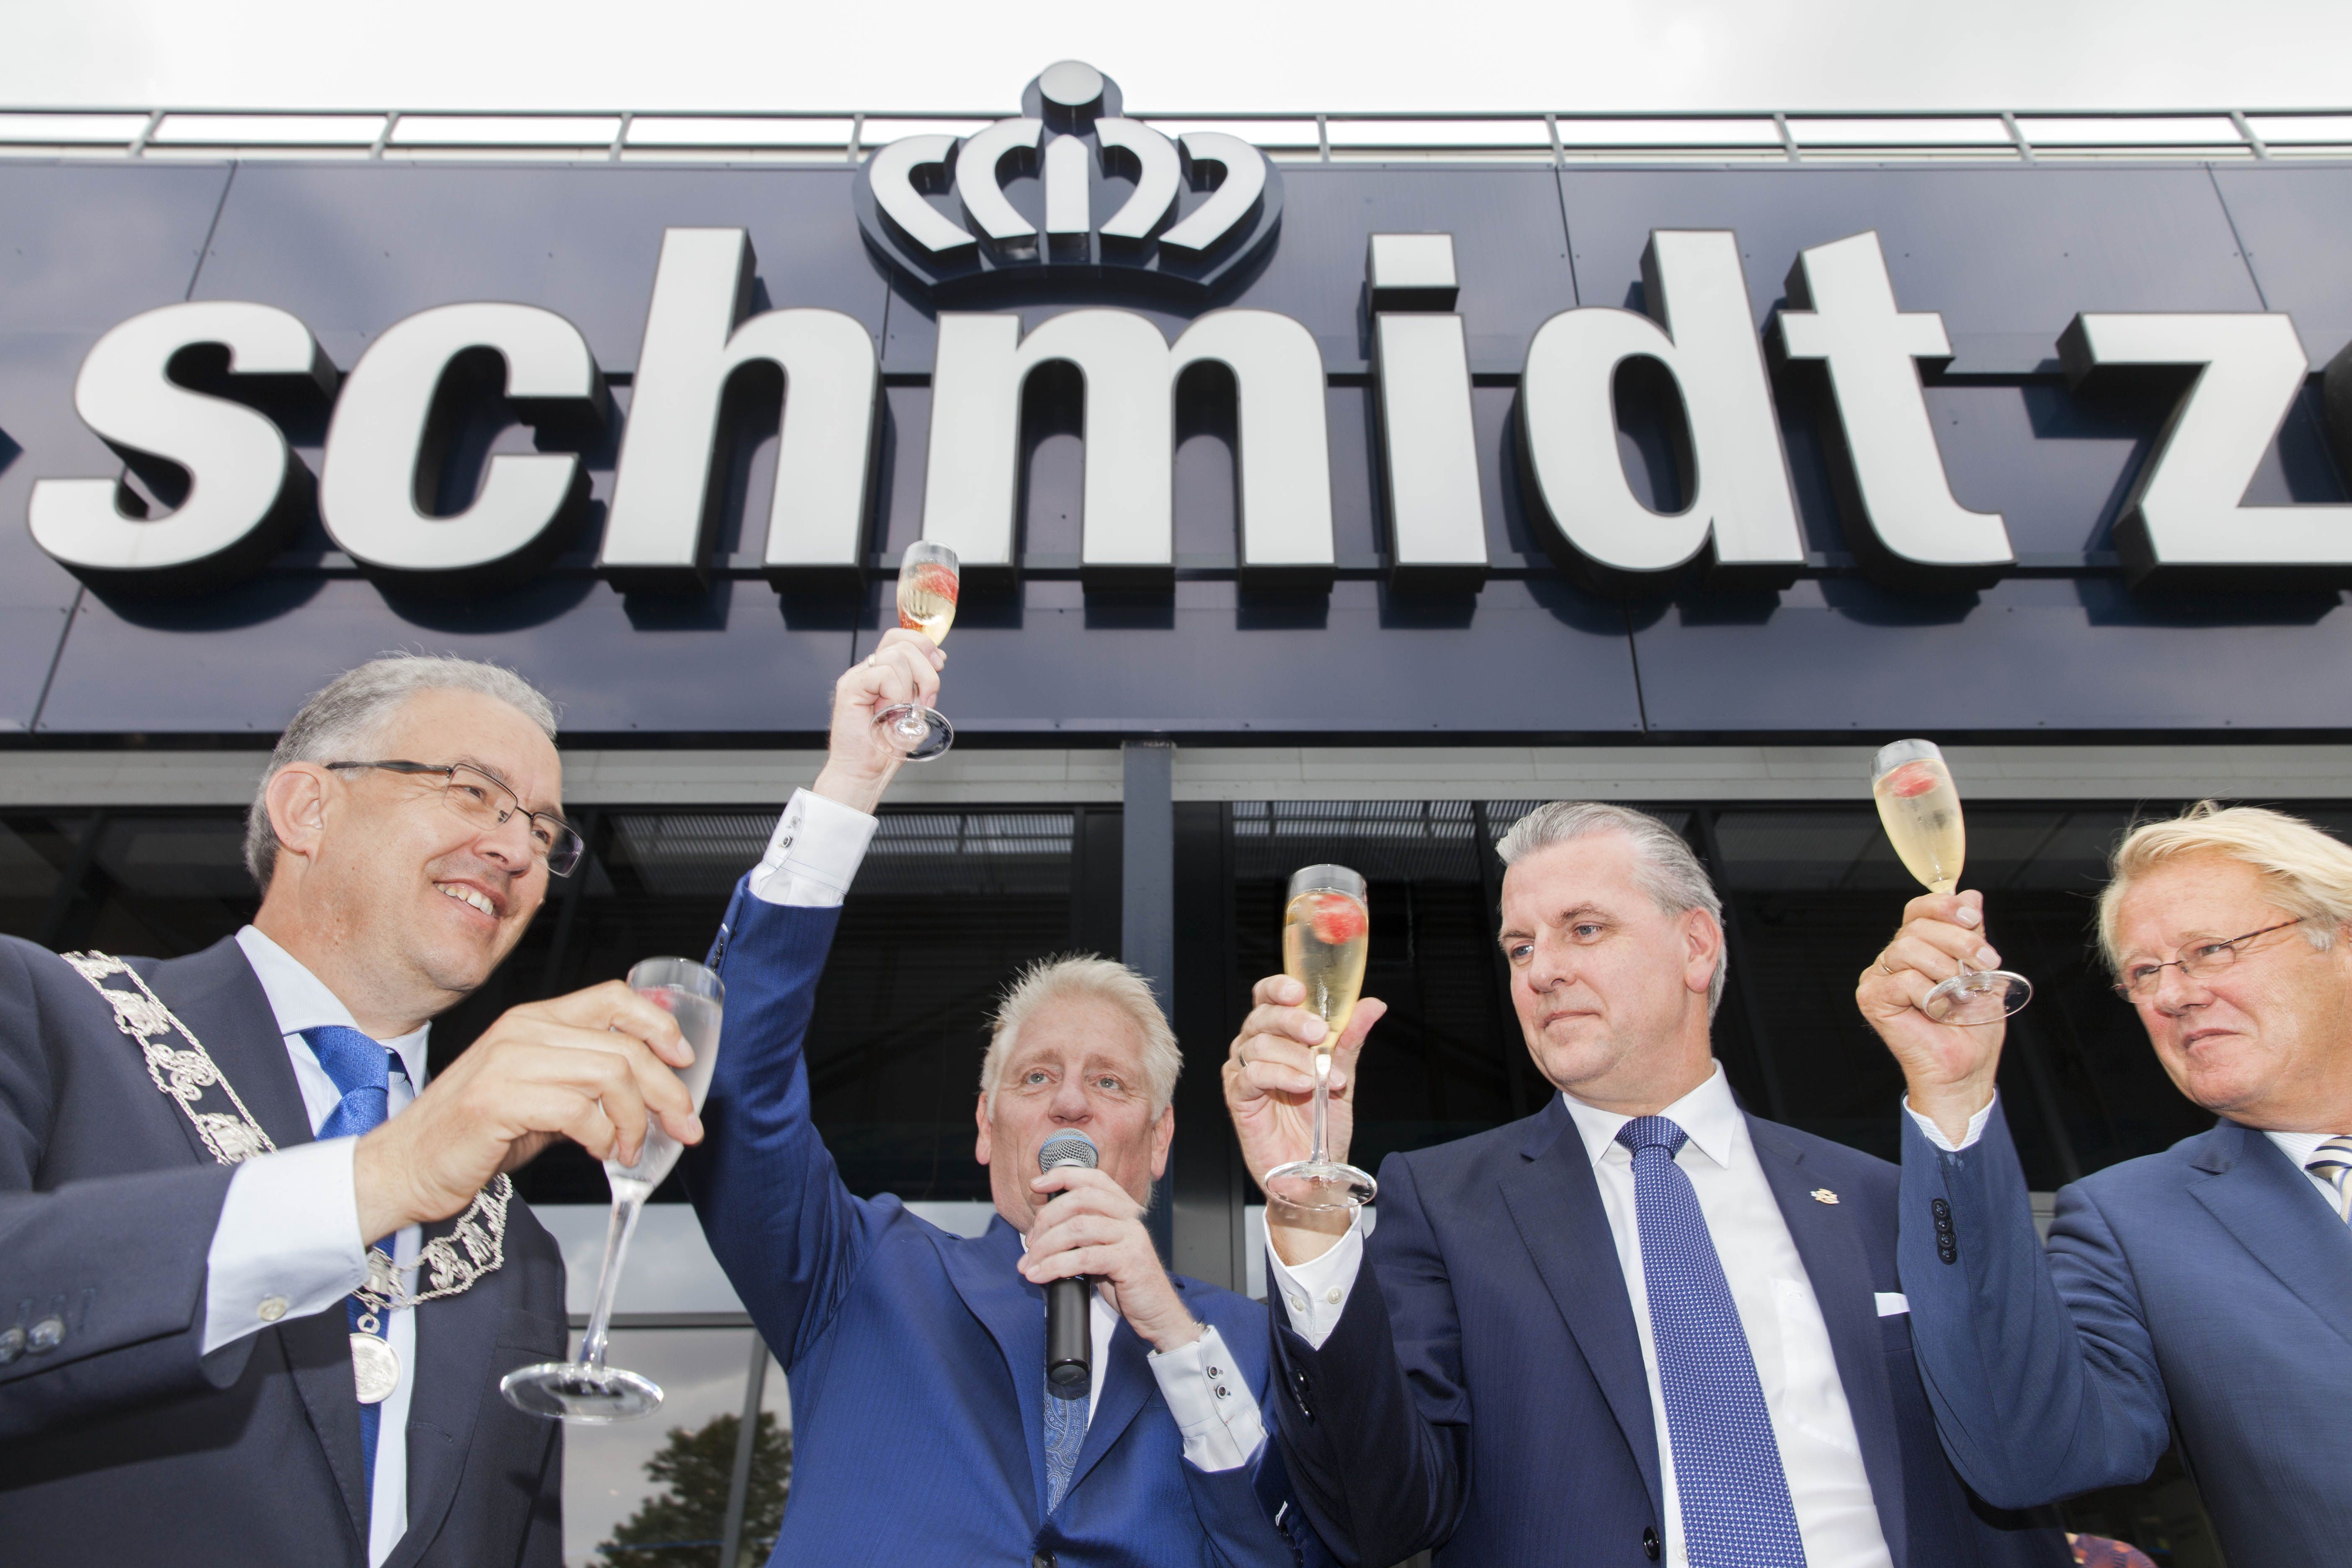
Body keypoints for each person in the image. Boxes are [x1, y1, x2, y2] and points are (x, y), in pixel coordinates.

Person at [1230, 801, 2071, 1568]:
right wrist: (1310, 1210)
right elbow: (1377, 1516)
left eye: (1585, 930)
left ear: (1696, 946)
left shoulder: (1881, 1197)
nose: (1541, 971)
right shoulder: (1446, 1204)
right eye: (1520, 948)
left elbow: (2029, 1446)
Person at [0, 655, 703, 1568]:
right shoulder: (45, 1012)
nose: (520, 851)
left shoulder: (516, 1247)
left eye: (543, 830)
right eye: (471, 793)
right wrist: (386, 1175)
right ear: (307, 809)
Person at [683, 630, 1326, 1568]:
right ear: (986, 1130)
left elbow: (1293, 1554)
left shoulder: (1244, 1345)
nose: (1069, 1101)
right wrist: (849, 784)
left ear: (1158, 1140)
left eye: (1109, 1082)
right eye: (1034, 1078)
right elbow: (734, 1079)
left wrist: (1173, 1339)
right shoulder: (857, 1274)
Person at [1860, 801, 2352, 1563]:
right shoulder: (2137, 1223)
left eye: (2212, 950)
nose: (2172, 995)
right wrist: (1954, 1096)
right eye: (2144, 973)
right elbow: (2028, 1454)